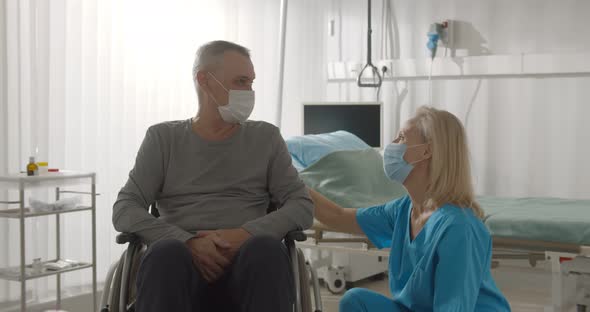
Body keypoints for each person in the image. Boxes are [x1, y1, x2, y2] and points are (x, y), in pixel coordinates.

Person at [112, 40, 314, 312]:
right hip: (180, 266)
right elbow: (125, 208)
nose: (249, 92)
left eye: (251, 83)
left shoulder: (265, 138)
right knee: (165, 254)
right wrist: (188, 242)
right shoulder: (163, 139)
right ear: (205, 81)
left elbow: (301, 205)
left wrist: (244, 234)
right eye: (241, 81)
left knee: (266, 250)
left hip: (249, 261)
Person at [309, 106, 511, 311]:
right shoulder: (404, 209)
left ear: (426, 151)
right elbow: (338, 216)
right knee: (355, 301)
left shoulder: (458, 228)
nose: (392, 146)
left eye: (401, 138)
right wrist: (290, 182)